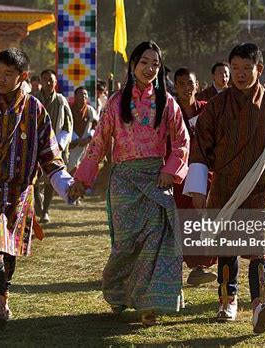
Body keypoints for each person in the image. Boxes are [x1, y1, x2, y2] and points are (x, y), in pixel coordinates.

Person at [0, 48, 75, 328]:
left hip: (20, 191)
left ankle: (3, 292)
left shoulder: (35, 109)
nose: (1, 79)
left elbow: (50, 154)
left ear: (22, 76)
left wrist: (67, 186)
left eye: (8, 74)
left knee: (10, 249)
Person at [70, 41, 190, 325]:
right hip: (123, 182)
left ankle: (150, 304)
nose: (150, 69)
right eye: (144, 62)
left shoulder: (167, 102)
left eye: (155, 64)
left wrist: (170, 171)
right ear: (133, 65)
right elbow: (98, 144)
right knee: (126, 246)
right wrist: (81, 180)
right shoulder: (115, 102)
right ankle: (119, 292)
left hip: (156, 180)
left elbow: (183, 142)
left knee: (156, 241)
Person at [183, 43, 265, 333]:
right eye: (235, 68)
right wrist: (197, 188)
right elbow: (200, 147)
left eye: (247, 68)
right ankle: (227, 299)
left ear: (259, 69)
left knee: (259, 248)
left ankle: (261, 303)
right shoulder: (217, 107)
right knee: (227, 249)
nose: (241, 74)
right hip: (224, 188)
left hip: (261, 189)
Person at [173, 67, 217, 286]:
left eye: (189, 83)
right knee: (181, 219)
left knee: (203, 217)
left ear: (197, 85)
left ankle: (199, 268)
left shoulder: (207, 110)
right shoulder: (171, 112)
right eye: (181, 84)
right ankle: (175, 268)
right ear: (175, 87)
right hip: (179, 173)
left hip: (204, 171)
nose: (186, 88)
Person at [33, 69, 73, 222]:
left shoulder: (61, 101)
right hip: (35, 147)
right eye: (45, 79)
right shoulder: (33, 99)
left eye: (51, 80)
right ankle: (38, 204)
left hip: (55, 148)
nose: (48, 82)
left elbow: (68, 127)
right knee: (34, 178)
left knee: (52, 179)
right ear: (40, 81)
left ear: (56, 82)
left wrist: (59, 145)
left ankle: (45, 211)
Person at [67, 86, 98, 173]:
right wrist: (76, 139)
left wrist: (88, 138)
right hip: (72, 145)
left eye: (85, 94)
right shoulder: (69, 110)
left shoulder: (90, 110)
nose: (84, 96)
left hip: (86, 144)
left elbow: (96, 127)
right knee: (71, 168)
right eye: (81, 94)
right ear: (75, 96)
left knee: (84, 170)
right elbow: (66, 126)